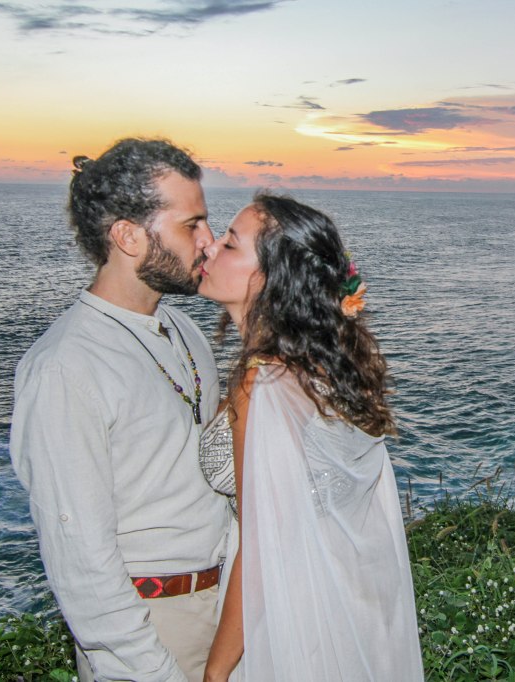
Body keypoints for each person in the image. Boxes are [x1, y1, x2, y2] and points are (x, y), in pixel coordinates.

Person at [10, 138, 232, 682]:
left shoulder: (183, 330)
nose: (209, 240)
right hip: (151, 628)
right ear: (128, 236)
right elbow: (79, 554)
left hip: (225, 608)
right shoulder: (66, 367)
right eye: (192, 224)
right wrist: (150, 669)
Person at [196, 193, 424, 681]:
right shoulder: (324, 366)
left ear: (270, 279)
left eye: (230, 244)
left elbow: (262, 547)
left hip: (287, 613)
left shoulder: (261, 385)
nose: (209, 247)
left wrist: (215, 670)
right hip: (342, 596)